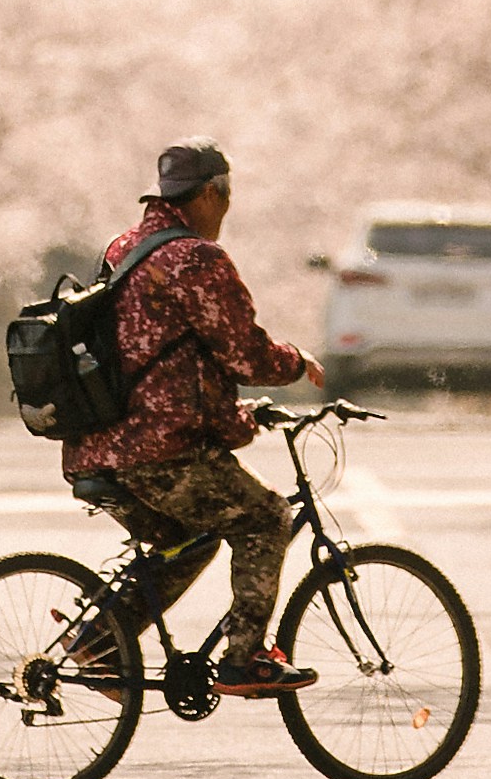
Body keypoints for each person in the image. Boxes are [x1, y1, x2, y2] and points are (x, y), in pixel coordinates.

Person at [64, 142, 323, 694]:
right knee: (266, 518)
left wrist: (232, 414)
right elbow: (242, 352)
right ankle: (244, 659)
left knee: (191, 538)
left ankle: (99, 642)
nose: (226, 212)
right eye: (225, 199)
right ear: (208, 194)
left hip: (99, 448)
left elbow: (163, 357)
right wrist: (297, 362)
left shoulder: (123, 248)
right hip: (161, 450)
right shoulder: (195, 259)